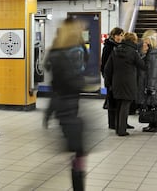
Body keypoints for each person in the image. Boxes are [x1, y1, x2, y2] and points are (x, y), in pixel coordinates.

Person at [45, 18, 87, 191]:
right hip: (67, 108)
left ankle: (78, 179)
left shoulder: (61, 51)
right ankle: (78, 184)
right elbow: (64, 83)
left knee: (78, 153)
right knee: (78, 152)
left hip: (67, 107)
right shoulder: (61, 54)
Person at [104, 32, 145, 136]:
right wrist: (144, 55)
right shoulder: (133, 52)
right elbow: (142, 66)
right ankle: (122, 130)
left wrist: (108, 82)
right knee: (125, 106)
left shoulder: (115, 50)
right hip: (129, 82)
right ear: (133, 41)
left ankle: (118, 128)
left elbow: (107, 68)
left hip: (116, 82)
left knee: (119, 105)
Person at [139, 30, 157, 132]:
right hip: (151, 83)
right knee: (151, 104)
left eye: (145, 41)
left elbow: (153, 72)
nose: (144, 43)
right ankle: (152, 124)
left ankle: (154, 126)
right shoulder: (151, 53)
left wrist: (151, 87)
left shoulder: (154, 55)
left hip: (153, 84)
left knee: (153, 105)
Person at [101, 27, 124, 129]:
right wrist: (108, 78)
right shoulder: (108, 47)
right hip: (111, 78)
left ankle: (121, 121)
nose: (120, 37)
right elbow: (105, 65)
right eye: (118, 35)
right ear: (113, 35)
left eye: (121, 35)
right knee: (111, 100)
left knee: (120, 100)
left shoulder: (120, 46)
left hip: (119, 77)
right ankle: (112, 123)